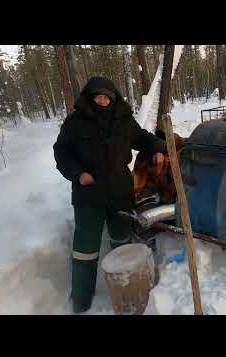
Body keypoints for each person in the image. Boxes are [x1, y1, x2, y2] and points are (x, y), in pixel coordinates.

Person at [53, 76, 166, 313]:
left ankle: (124, 289)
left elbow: (142, 138)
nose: (103, 101)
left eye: (107, 97)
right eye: (98, 97)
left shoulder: (123, 121)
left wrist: (157, 148)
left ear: (114, 99)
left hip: (120, 192)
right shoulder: (75, 123)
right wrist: (78, 173)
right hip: (88, 195)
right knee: (85, 250)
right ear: (90, 98)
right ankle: (81, 301)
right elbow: (61, 152)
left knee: (122, 241)